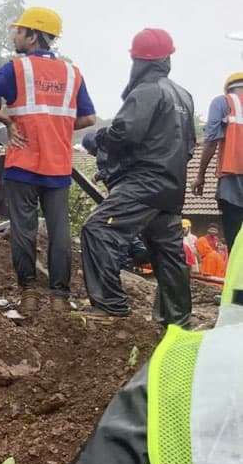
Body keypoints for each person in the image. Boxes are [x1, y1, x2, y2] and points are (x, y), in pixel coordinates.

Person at [66, 244, 243, 464]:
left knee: (96, 231)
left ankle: (111, 304)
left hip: (218, 361)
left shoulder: (186, 375)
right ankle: (170, 318)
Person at [0, 7, 97, 312]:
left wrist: (9, 122)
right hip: (58, 165)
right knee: (59, 232)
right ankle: (59, 298)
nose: (14, 35)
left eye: (19, 30)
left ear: (32, 35)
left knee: (23, 230)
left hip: (22, 163)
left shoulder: (17, 69)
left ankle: (28, 293)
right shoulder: (72, 73)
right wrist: (60, 128)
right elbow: (89, 117)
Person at [79, 28, 195, 326]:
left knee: (97, 230)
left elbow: (126, 132)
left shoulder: (146, 91)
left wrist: (99, 137)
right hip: (171, 187)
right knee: (167, 252)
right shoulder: (184, 95)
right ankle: (177, 320)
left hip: (144, 182)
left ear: (138, 60)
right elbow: (190, 146)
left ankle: (110, 305)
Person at [191, 71, 243, 251]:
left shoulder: (223, 102)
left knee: (236, 239)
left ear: (228, 88)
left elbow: (211, 141)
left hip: (234, 177)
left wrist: (200, 176)